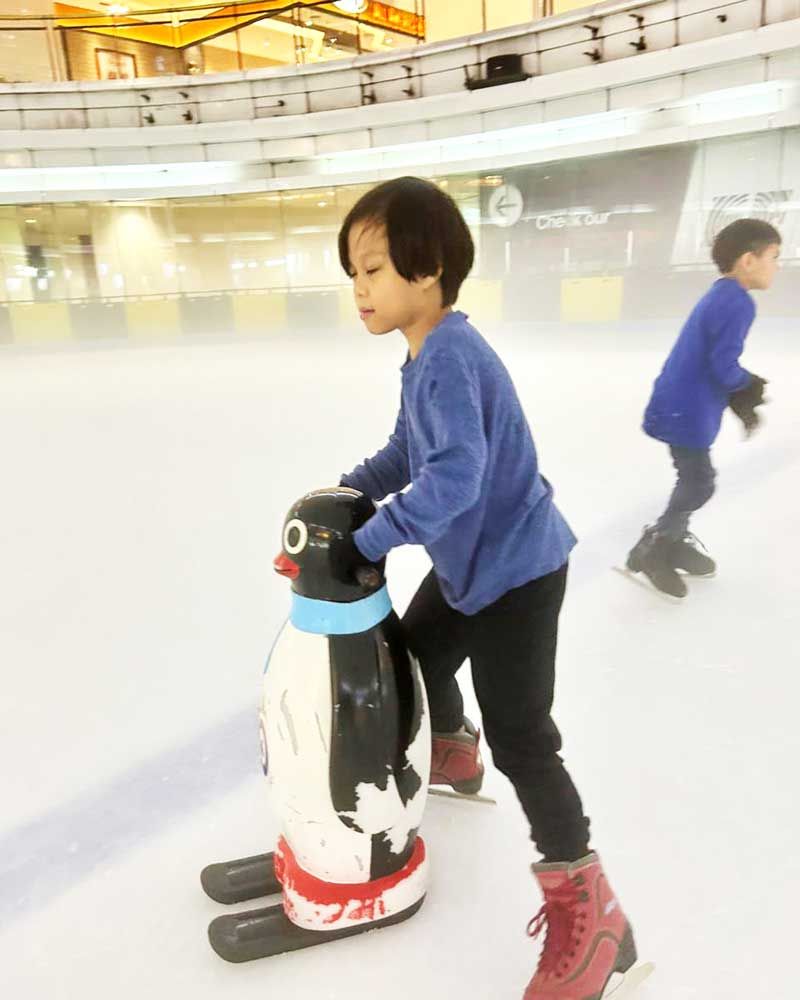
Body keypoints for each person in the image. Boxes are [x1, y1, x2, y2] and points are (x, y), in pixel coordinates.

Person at [335, 176, 636, 1000]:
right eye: (351, 273)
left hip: (519, 573)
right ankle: (455, 752)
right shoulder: (423, 357)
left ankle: (591, 904)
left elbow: (457, 477)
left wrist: (369, 540)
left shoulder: (452, 356)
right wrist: (340, 499)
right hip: (472, 568)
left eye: (372, 269)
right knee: (416, 652)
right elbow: (407, 450)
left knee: (526, 739)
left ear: (427, 267)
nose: (357, 289)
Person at [627, 218, 781, 598]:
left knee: (694, 479)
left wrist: (743, 386)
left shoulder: (722, 294)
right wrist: (748, 385)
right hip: (686, 407)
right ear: (748, 260)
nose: (776, 265)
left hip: (683, 403)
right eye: (773, 257)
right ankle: (656, 546)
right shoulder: (738, 302)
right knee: (698, 482)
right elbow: (722, 365)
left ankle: (668, 539)